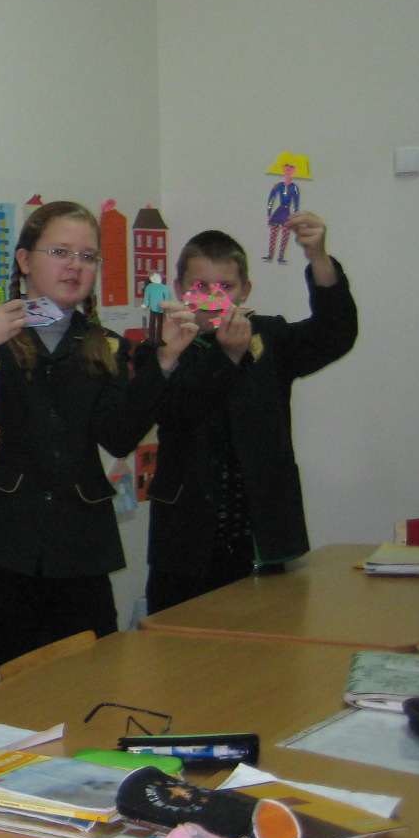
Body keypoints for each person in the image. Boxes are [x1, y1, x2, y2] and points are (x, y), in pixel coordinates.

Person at [0, 201, 197, 681]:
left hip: (79, 547)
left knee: (90, 682)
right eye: (60, 252)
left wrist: (164, 360)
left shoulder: (106, 344)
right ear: (25, 260)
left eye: (87, 257)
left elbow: (119, 437)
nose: (75, 266)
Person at [145, 215, 356, 613]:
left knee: (274, 641)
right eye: (200, 286)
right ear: (179, 289)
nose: (213, 296)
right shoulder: (164, 350)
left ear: (245, 291)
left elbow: (336, 333)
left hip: (263, 541)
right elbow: (177, 411)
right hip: (186, 546)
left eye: (226, 286)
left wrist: (318, 257)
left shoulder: (268, 338)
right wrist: (226, 356)